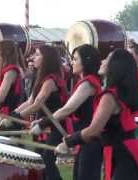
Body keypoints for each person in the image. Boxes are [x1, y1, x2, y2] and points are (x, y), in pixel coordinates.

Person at [56, 49, 138, 180]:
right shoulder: (120, 92)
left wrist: (69, 142)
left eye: (107, 59)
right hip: (128, 152)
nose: (103, 61)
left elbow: (94, 129)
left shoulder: (110, 96)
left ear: (116, 66)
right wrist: (74, 138)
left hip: (124, 155)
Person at [31, 44, 103, 180]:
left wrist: (42, 124)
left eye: (75, 59)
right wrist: (42, 122)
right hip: (83, 138)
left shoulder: (89, 83)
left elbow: (68, 109)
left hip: (90, 139)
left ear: (86, 61)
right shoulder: (85, 82)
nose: (72, 62)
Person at [1, 45, 67, 180]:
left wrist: (15, 118)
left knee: (47, 161)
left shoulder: (50, 80)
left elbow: (37, 104)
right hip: (41, 124)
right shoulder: (41, 77)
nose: (32, 58)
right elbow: (30, 101)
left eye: (37, 55)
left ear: (46, 59)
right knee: (39, 162)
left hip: (54, 126)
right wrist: (12, 115)